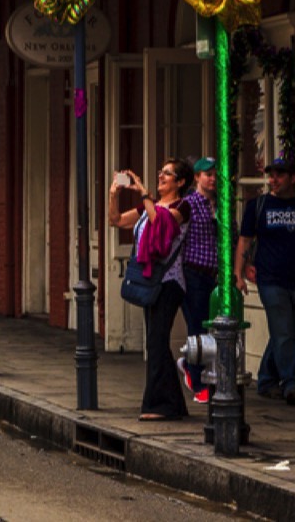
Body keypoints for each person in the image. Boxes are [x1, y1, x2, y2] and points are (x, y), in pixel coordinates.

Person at [234, 155, 295, 405]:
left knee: (285, 332)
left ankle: (266, 378)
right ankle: (292, 383)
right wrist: (239, 272)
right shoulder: (259, 206)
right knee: (284, 332)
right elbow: (244, 240)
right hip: (270, 280)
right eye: (270, 175)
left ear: (292, 177)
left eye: (278, 175)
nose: (272, 180)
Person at [110, 158, 195, 421]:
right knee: (156, 342)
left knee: (157, 341)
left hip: (169, 283)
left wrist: (144, 192)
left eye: (167, 174)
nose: (161, 176)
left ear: (180, 182)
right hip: (151, 281)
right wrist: (114, 195)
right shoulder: (150, 205)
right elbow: (117, 221)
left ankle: (160, 406)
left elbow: (162, 224)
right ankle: (174, 405)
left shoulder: (183, 206)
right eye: (161, 172)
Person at [177, 156, 220, 402]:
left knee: (215, 329)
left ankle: (196, 368)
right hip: (193, 273)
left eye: (215, 174)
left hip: (215, 276)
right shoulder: (189, 204)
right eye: (207, 174)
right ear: (197, 177)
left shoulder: (220, 203)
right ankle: (197, 380)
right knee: (197, 328)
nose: (212, 178)